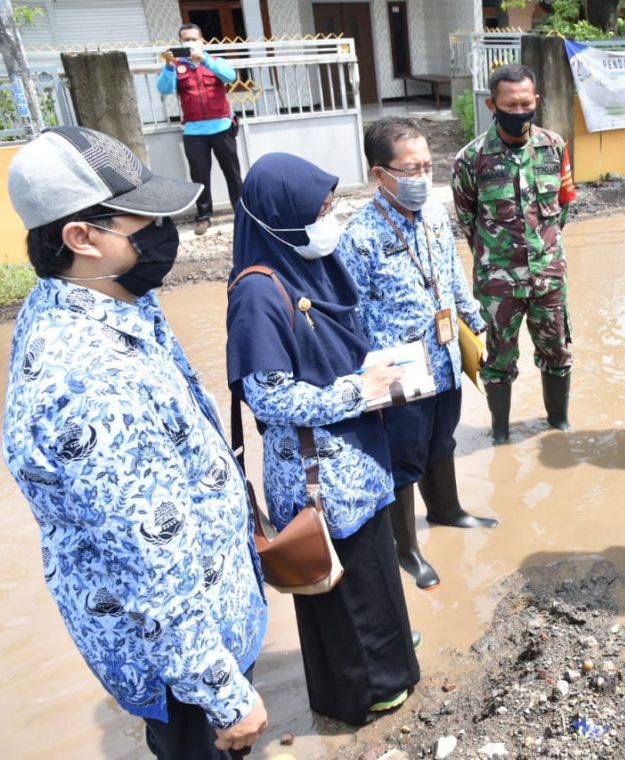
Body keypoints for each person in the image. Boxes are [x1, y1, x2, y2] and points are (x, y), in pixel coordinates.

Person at [3, 126, 268, 756]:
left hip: (206, 621)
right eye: (142, 220)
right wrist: (223, 694)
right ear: (80, 237)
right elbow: (145, 559)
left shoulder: (108, 298)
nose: (161, 232)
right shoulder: (84, 379)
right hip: (183, 667)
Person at [226, 153, 420, 725]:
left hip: (358, 462)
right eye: (319, 210)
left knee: (374, 575)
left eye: (330, 207)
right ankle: (362, 698)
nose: (328, 220)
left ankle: (394, 671)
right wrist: (361, 391)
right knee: (342, 591)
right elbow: (270, 397)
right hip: (320, 477)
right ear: (281, 218)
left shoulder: (316, 265)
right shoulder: (256, 295)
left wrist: (386, 375)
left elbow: (349, 338)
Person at [339, 118, 498, 591]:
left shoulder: (434, 216)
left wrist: (477, 325)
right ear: (379, 175)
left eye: (428, 166)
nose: (422, 177)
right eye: (409, 169)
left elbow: (450, 278)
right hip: (401, 370)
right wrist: (370, 373)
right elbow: (351, 316)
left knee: (441, 441)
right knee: (404, 459)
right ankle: (406, 550)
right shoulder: (359, 236)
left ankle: (448, 510)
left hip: (446, 354)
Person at [452, 62, 577, 445]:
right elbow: (468, 222)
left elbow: (563, 207)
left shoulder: (555, 147)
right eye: (511, 104)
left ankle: (558, 426)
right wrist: (501, 259)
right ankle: (501, 434)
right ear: (492, 104)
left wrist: (542, 251)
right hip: (498, 285)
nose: (520, 111)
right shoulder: (470, 159)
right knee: (498, 363)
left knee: (557, 352)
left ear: (536, 100)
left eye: (526, 104)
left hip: (549, 278)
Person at [157, 22, 242, 236]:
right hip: (194, 132)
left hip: (222, 127)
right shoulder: (176, 66)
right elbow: (164, 89)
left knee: (232, 173)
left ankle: (242, 212)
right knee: (200, 178)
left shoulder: (215, 61)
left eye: (194, 39)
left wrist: (204, 60)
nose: (190, 42)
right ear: (180, 42)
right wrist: (168, 66)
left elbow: (231, 77)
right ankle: (203, 216)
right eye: (186, 39)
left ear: (202, 41)